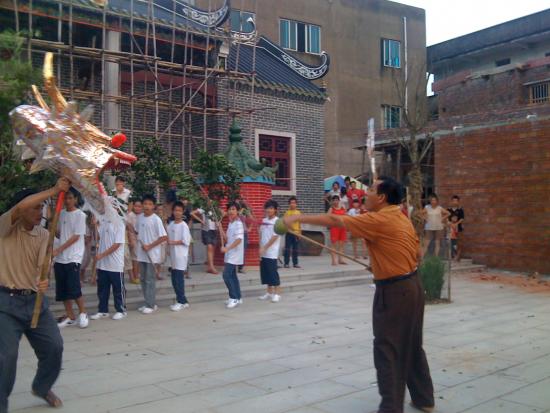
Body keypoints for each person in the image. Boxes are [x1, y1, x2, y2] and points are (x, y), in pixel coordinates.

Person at [281, 176, 435, 413]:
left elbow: (335, 219)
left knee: (387, 349)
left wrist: (296, 218)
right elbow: (417, 254)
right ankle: (424, 400)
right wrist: (385, 264)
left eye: (371, 189)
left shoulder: (378, 218)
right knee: (412, 345)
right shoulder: (400, 216)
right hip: (412, 285)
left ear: (381, 198)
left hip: (395, 292)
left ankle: (391, 408)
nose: (365, 193)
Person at [0, 179, 69, 412]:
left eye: (42, 208)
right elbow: (20, 207)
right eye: (35, 207)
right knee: (6, 357)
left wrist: (44, 278)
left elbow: (42, 265)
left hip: (35, 302)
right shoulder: (5, 226)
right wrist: (55, 190)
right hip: (6, 303)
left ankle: (41, 387)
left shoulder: (43, 234)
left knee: (54, 347)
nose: (40, 212)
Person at [53, 188, 89, 328]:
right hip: (60, 258)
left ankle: (83, 313)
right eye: (65, 198)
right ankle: (70, 315)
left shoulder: (80, 215)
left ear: (75, 199)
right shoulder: (61, 214)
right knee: (62, 289)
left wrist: (59, 249)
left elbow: (76, 237)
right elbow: (60, 233)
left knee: (74, 287)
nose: (67, 201)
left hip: (73, 256)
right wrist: (52, 226)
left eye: (70, 198)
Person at [90, 212, 127, 321]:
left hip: (115, 264)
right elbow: (98, 236)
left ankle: (121, 310)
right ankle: (103, 310)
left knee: (118, 289)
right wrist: (95, 225)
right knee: (102, 289)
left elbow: (117, 244)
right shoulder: (103, 221)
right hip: (103, 264)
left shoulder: (119, 223)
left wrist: (102, 255)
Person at [135, 194, 168, 314]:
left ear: (154, 206)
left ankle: (151, 304)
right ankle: (147, 302)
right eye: (145, 204)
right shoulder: (140, 218)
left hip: (152, 255)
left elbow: (163, 237)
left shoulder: (156, 219)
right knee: (143, 279)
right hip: (142, 254)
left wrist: (149, 246)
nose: (147, 206)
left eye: (150, 204)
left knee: (150, 279)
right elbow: (137, 231)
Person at [167, 202, 191, 312]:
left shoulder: (184, 225)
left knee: (178, 279)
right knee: (174, 278)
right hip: (173, 256)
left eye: (179, 211)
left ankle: (180, 301)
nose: (177, 212)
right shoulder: (171, 224)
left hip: (181, 256)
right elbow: (167, 237)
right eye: (175, 210)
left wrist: (172, 242)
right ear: (173, 211)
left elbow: (186, 241)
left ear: (183, 212)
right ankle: (184, 301)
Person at [221, 202, 244, 309]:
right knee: (232, 275)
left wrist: (227, 248)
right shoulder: (231, 223)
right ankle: (238, 297)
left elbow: (239, 240)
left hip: (235, 253)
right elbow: (227, 239)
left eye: (233, 209)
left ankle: (233, 297)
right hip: (230, 253)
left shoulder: (238, 224)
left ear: (238, 211)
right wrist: (220, 228)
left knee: (226, 275)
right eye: (229, 209)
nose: (231, 211)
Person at [258, 199, 282, 303]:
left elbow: (275, 237)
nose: (269, 210)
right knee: (266, 273)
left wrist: (265, 247)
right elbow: (261, 234)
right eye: (267, 208)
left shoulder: (278, 222)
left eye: (271, 208)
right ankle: (269, 292)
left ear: (275, 210)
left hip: (271, 252)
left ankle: (277, 293)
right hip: (263, 252)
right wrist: (260, 247)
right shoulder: (264, 221)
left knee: (273, 273)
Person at [196, 207, 219, 274]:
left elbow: (222, 213)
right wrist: (201, 221)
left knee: (213, 249)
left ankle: (209, 267)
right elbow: (192, 213)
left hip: (214, 230)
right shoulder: (203, 208)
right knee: (209, 247)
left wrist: (218, 221)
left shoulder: (215, 209)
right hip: (206, 230)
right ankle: (211, 267)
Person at [328, 195, 348, 265]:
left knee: (341, 244)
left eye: (337, 200)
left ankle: (340, 259)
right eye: (334, 200)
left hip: (342, 227)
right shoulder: (331, 209)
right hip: (334, 228)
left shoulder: (342, 208)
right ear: (332, 201)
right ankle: (333, 260)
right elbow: (327, 217)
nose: (335, 201)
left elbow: (345, 217)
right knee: (334, 244)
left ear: (339, 201)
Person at [126, 199, 142, 284]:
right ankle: (135, 276)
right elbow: (129, 228)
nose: (137, 208)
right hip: (133, 239)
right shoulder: (130, 215)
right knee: (135, 258)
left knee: (138, 258)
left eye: (139, 206)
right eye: (136, 206)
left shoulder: (142, 215)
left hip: (140, 240)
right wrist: (131, 240)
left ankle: (137, 275)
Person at [283, 196, 301, 268]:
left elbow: (299, 224)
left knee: (295, 249)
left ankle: (295, 263)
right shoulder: (287, 213)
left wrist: (300, 233)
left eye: (294, 203)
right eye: (291, 203)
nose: (292, 204)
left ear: (296, 204)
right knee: (287, 249)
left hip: (296, 233)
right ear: (289, 204)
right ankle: (286, 263)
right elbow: (285, 223)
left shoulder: (298, 212)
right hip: (289, 233)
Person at [447, 195, 465, 262]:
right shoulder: (448, 210)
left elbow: (462, 218)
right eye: (453, 201)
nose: (455, 202)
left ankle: (458, 256)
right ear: (451, 201)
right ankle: (452, 256)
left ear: (458, 202)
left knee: (458, 242)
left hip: (458, 228)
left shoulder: (460, 210)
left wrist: (456, 224)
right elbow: (446, 219)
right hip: (450, 229)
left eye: (456, 201)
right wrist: (451, 224)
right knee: (451, 242)